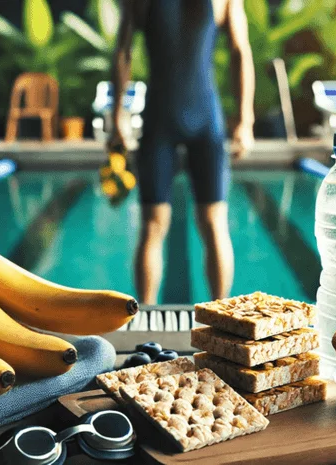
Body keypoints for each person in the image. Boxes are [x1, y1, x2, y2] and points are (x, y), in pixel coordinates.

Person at [108, 0, 255, 304]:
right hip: (204, 117)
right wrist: (244, 120)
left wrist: (117, 119)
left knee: (155, 224)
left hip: (161, 117)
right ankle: (214, 313)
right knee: (212, 223)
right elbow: (239, 51)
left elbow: (123, 52)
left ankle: (148, 315)